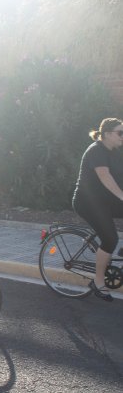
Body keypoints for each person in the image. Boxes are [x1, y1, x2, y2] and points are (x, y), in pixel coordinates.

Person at [72, 118, 123, 302]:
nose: (122, 136)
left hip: (106, 201)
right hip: (88, 203)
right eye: (120, 132)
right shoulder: (96, 151)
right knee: (110, 238)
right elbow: (105, 177)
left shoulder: (115, 151)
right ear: (107, 134)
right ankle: (98, 282)